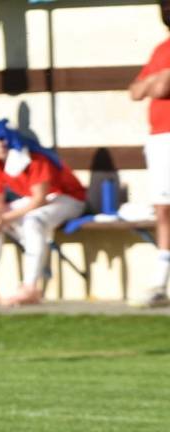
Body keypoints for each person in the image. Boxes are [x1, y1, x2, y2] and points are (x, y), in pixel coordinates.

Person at [0, 119, 86, 307]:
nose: (1, 143)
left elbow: (39, 199)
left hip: (69, 199)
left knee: (33, 221)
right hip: (41, 201)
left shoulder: (34, 157)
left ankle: (30, 288)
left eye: (4, 138)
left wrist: (5, 218)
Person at [128, 0, 170, 308]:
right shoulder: (161, 48)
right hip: (158, 138)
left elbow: (160, 86)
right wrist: (157, 80)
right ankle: (160, 280)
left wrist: (157, 81)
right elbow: (136, 91)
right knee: (163, 208)